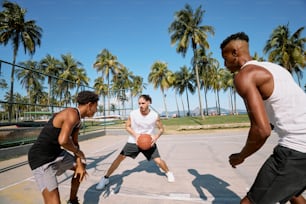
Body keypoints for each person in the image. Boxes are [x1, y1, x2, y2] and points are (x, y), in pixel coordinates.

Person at [220, 32, 306, 204]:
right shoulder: (275, 69)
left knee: (250, 202)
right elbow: (274, 118)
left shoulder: (245, 76)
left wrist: (241, 155)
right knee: (292, 193)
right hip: (301, 149)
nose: (224, 63)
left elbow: (262, 130)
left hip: (297, 147)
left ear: (236, 53)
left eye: (226, 57)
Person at [28, 90, 99, 204]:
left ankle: (72, 200)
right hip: (41, 159)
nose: (97, 109)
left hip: (57, 154)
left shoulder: (78, 120)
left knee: (81, 168)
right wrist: (78, 152)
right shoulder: (72, 113)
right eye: (96, 106)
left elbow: (74, 142)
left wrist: (79, 163)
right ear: (90, 105)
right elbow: (63, 141)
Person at [96, 94, 175, 190]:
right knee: (119, 158)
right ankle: (105, 178)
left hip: (148, 141)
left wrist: (156, 136)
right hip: (134, 141)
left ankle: (168, 172)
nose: (141, 105)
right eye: (139, 103)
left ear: (149, 103)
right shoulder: (133, 114)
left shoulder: (154, 115)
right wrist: (136, 135)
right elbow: (127, 126)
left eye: (143, 103)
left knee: (158, 160)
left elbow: (162, 129)